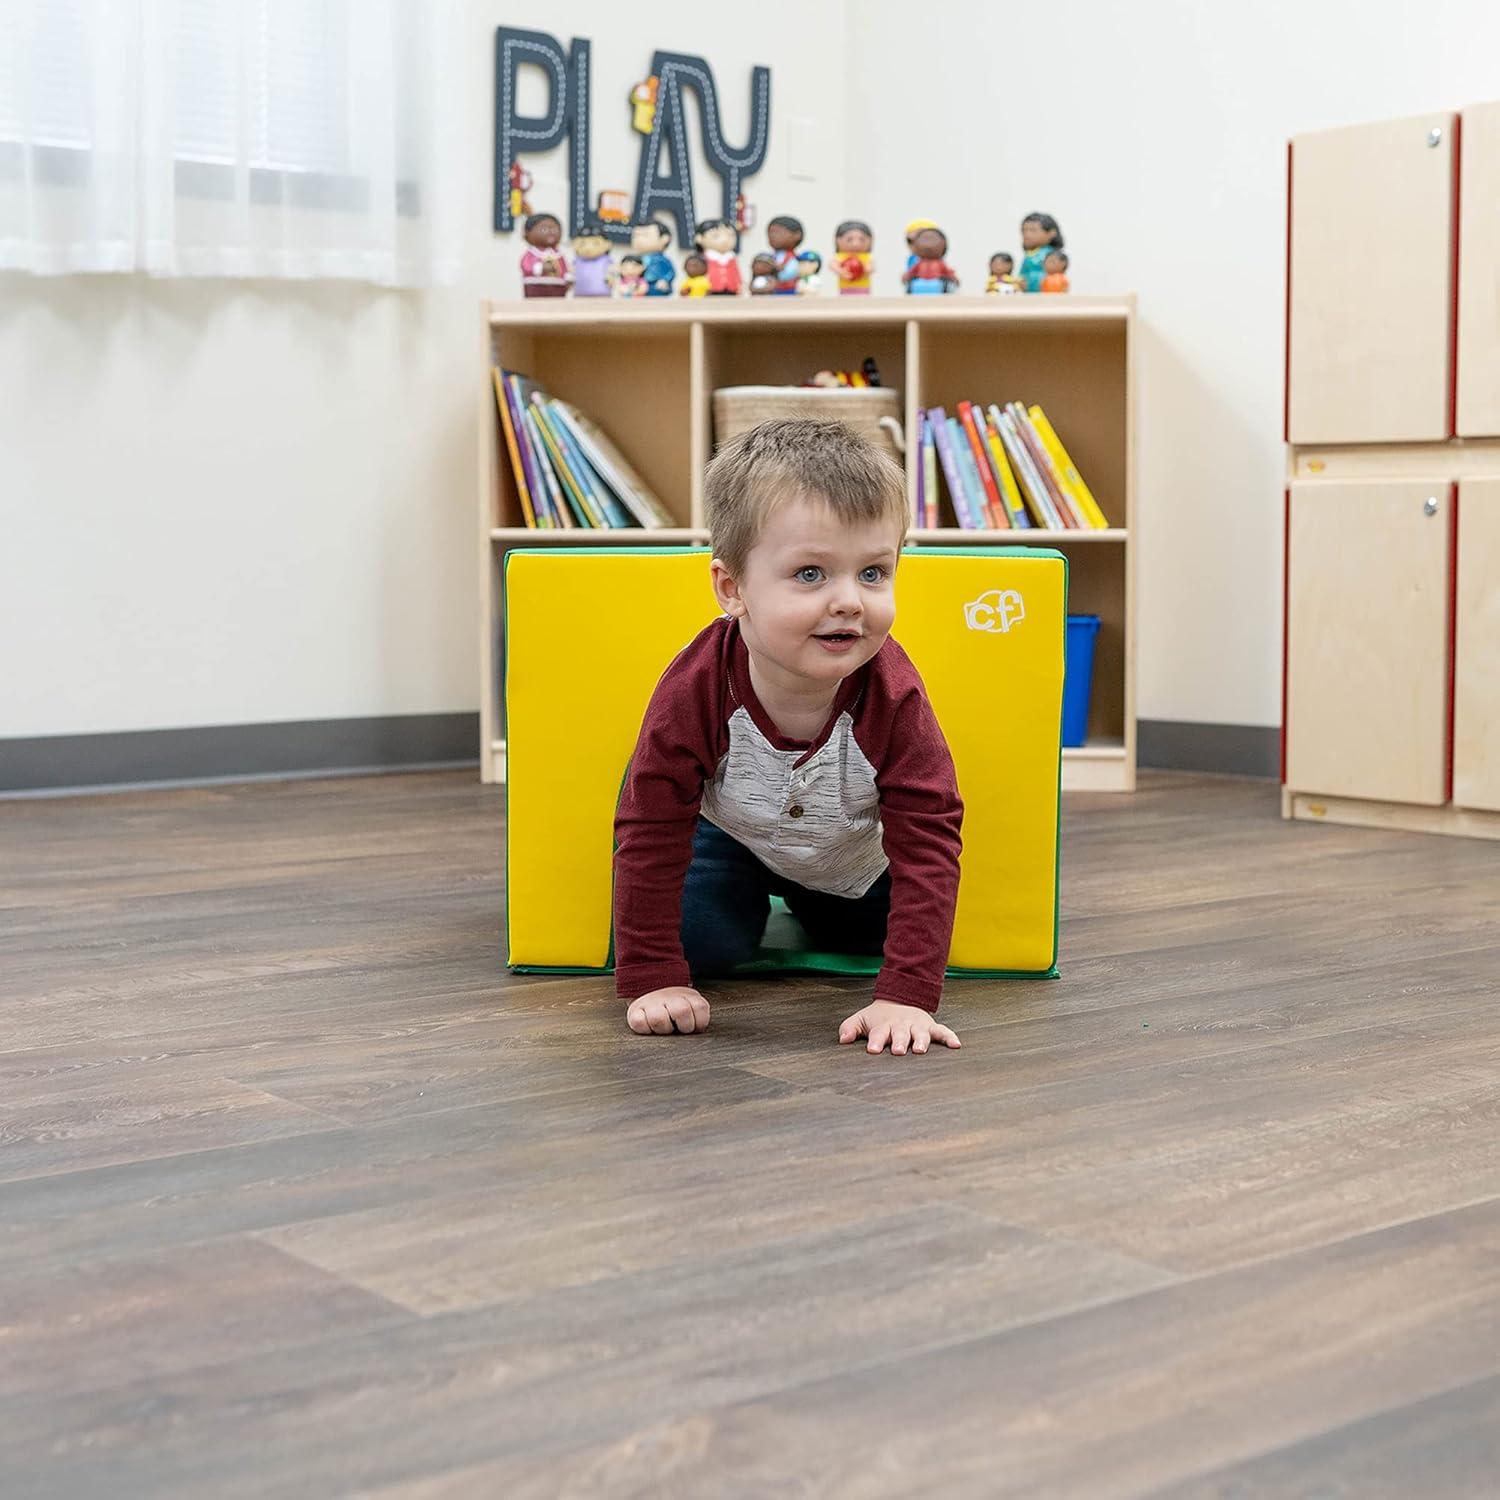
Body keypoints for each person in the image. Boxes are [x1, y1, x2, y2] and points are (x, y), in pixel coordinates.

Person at [612, 418, 965, 1057]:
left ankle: (810, 905)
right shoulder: (696, 689)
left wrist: (907, 994)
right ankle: (740, 904)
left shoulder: (894, 697)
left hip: (851, 858)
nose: (850, 602)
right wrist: (652, 975)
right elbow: (650, 823)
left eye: (873, 573)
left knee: (882, 939)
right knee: (701, 943)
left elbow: (929, 833)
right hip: (731, 836)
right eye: (810, 574)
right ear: (733, 589)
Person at [1018, 212, 1064, 292]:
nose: (1027, 234)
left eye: (1033, 230)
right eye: (1024, 230)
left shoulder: (1051, 255)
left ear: (1051, 233)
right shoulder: (1029, 255)